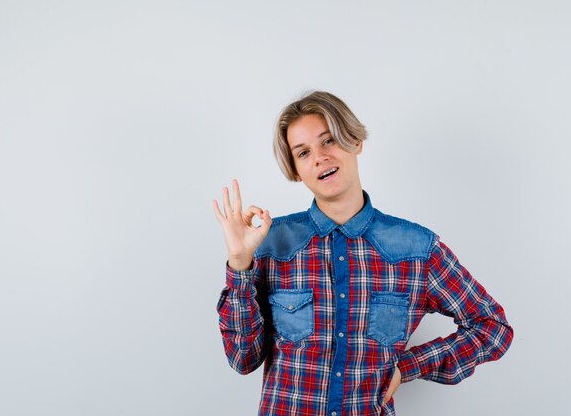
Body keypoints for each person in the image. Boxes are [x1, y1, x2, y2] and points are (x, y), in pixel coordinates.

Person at [213, 91, 513, 416]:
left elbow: (492, 327)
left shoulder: (417, 249)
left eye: (328, 141)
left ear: (355, 141)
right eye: (303, 152)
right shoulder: (270, 243)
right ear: (296, 170)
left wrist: (408, 367)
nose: (319, 157)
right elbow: (243, 359)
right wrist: (240, 265)